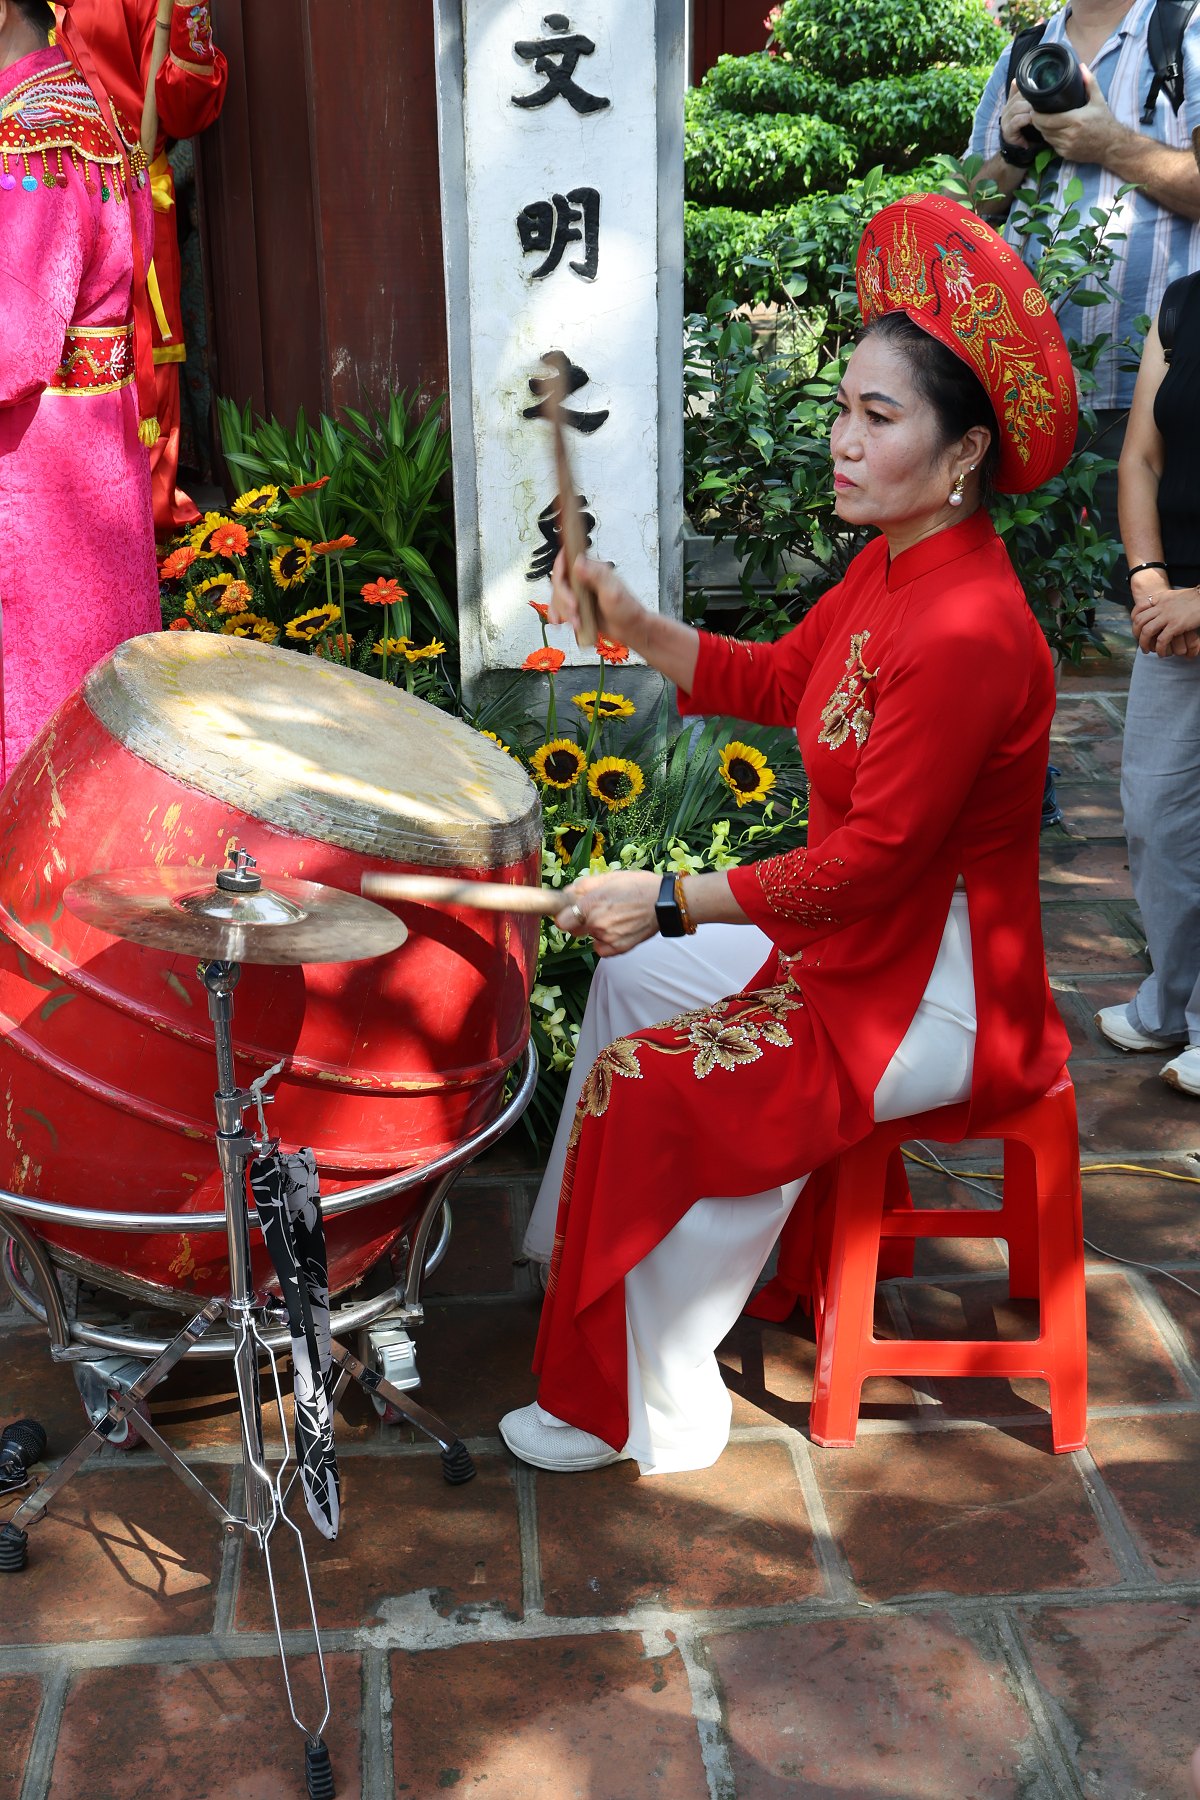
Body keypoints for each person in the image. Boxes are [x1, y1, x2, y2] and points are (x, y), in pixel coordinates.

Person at [501, 193, 1078, 1477]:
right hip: (862, 949)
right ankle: (594, 1277)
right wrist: (634, 622)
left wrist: (666, 892)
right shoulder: (895, 563)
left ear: (964, 452)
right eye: (844, 407)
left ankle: (652, 1401)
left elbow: (874, 864)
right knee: (633, 984)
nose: (843, 440)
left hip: (938, 988)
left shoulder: (972, 629)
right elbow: (775, 680)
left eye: (880, 417)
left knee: (665, 1079)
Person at [968, 0, 1200, 605]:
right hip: (1030, 396)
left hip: (1158, 400)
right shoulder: (1024, 53)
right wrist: (1013, 152)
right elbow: (968, 201)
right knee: (1035, 615)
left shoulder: (1184, 30)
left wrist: (1112, 145)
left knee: (1154, 616)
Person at [0, 0, 161, 781]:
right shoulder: (89, 111)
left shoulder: (31, 134)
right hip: (90, 462)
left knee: (38, 726)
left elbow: (10, 342)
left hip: (35, 479)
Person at [1093, 270, 1200, 1092]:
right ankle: (1171, 1000)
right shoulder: (1184, 302)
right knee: (1155, 816)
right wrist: (1149, 577)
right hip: (1175, 613)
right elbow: (1140, 456)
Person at [70, 0, 227, 537]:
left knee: (143, 376)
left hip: (129, 190)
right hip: (28, 200)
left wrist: (186, 13)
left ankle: (148, 542)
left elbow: (186, 109)